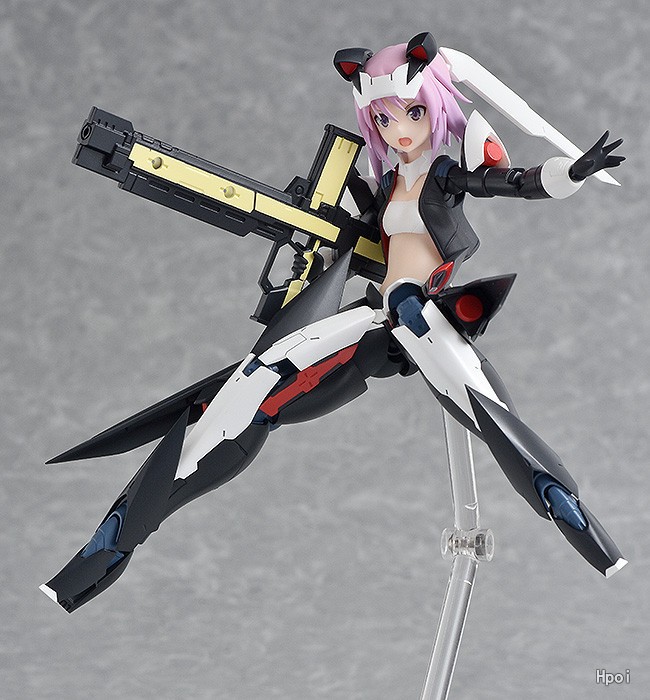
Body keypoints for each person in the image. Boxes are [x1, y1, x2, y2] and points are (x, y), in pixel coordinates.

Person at [41, 33, 625, 613]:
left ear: (436, 106)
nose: (400, 129)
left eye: (414, 113)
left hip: (424, 314)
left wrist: (571, 173)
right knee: (257, 379)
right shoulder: (385, 186)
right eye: (385, 118)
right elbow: (342, 232)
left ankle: (569, 511)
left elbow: (512, 182)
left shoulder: (446, 175)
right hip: (378, 313)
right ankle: (113, 541)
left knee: (485, 406)